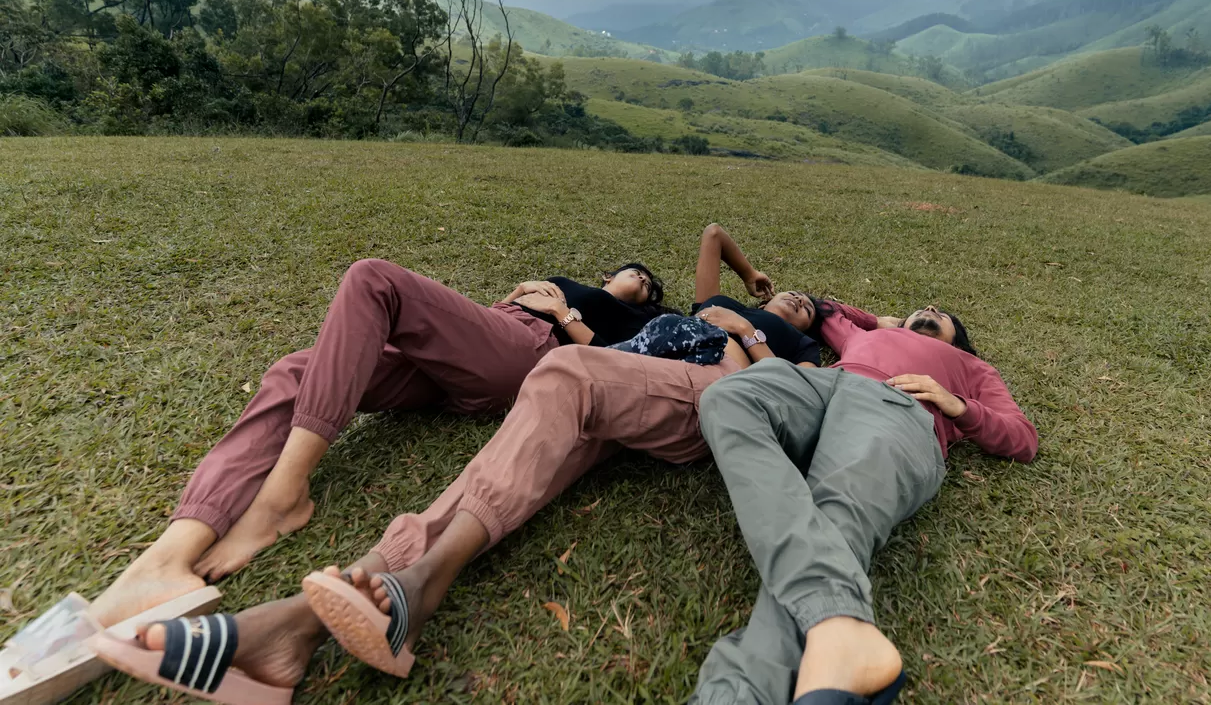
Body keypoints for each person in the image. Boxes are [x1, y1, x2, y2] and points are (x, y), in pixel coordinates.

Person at [88, 224, 824, 702]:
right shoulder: (709, 303)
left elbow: (826, 378)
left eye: (803, 307)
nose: (788, 302)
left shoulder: (793, 346)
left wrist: (760, 334)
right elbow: (712, 236)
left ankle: (409, 588)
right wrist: (747, 285)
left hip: (699, 386)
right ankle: (294, 630)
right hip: (619, 378)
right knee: (530, 408)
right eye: (783, 297)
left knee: (564, 376)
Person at [8, 256, 667, 692]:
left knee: (372, 278)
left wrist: (564, 315)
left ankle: (280, 499)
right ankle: (171, 551)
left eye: (644, 276)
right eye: (627, 269)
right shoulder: (564, 279)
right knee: (300, 369)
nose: (633, 276)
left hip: (533, 357)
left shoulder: (631, 318)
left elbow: (615, 370)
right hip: (479, 348)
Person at [689, 301, 1038, 705]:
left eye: (942, 313)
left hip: (896, 407)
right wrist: (878, 321)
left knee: (836, 513)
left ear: (958, 339)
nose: (930, 307)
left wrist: (959, 405)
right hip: (821, 387)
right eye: (923, 307)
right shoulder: (867, 335)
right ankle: (838, 623)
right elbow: (824, 310)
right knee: (727, 398)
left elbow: (1023, 439)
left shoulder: (972, 367)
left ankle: (738, 694)